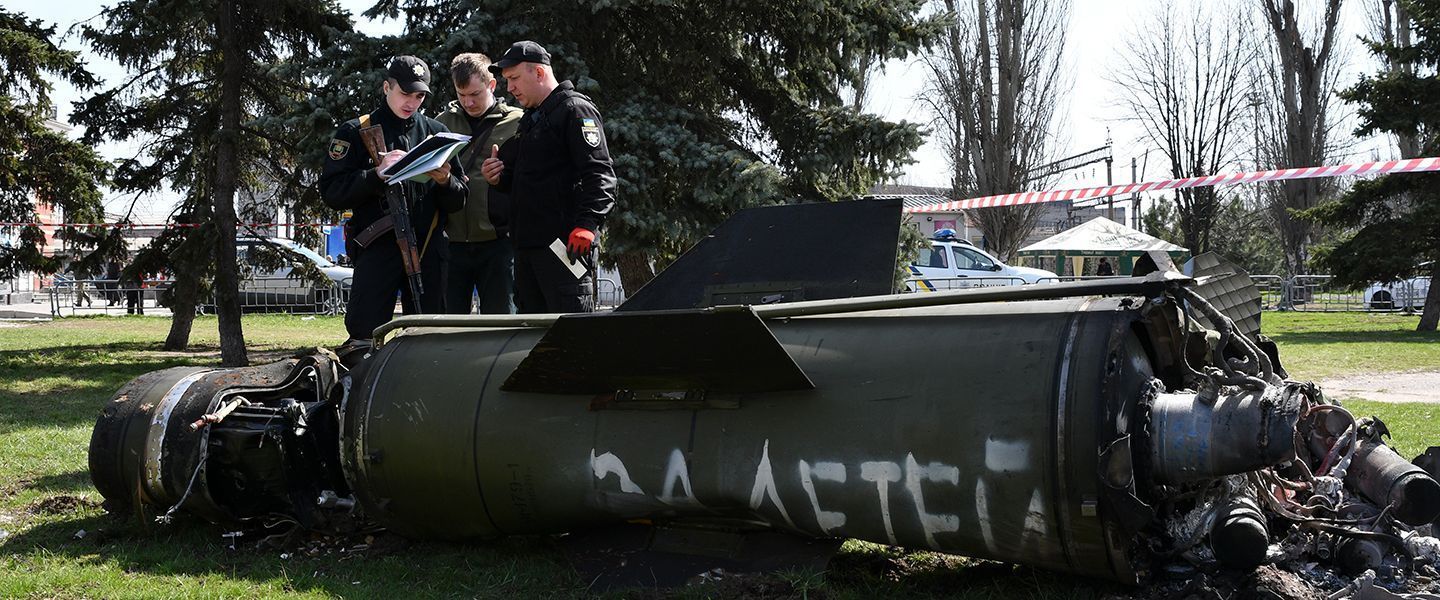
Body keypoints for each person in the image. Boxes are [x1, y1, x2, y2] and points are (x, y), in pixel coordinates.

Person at [320, 55, 468, 344]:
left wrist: (444, 181)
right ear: (386, 87)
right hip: (378, 251)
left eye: (420, 95)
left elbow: (459, 200)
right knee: (364, 336)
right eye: (405, 93)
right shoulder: (356, 131)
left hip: (428, 252)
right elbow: (332, 192)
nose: (412, 102)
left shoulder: (437, 134)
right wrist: (375, 175)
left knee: (431, 339)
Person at [481, 41, 616, 314]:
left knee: (570, 335)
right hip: (528, 249)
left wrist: (587, 224)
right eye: (507, 81)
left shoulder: (575, 110)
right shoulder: (532, 119)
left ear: (539, 73)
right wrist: (498, 178)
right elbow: (531, 180)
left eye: (515, 78)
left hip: (564, 248)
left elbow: (600, 173)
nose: (510, 88)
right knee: (531, 339)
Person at [436, 52, 524, 314]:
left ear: (492, 85)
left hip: (499, 243)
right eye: (461, 95)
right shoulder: (441, 124)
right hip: (451, 244)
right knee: (446, 324)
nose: (468, 102)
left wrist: (504, 174)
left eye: (475, 94)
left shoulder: (518, 122)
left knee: (501, 322)